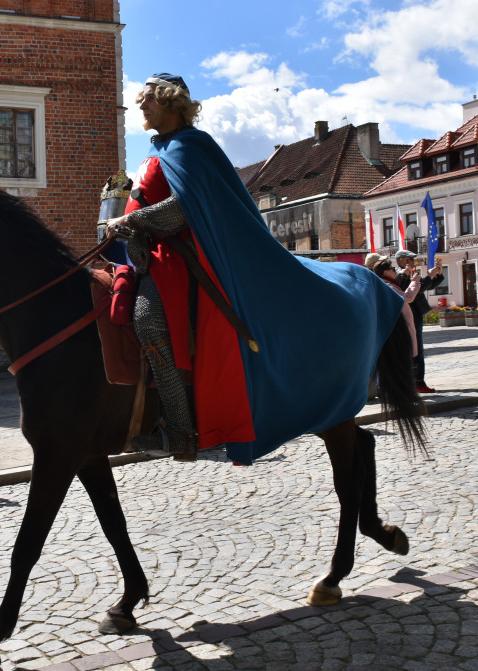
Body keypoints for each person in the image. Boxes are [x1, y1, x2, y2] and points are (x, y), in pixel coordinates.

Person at [103, 73, 404, 466]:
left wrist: (135, 221)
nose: (140, 104)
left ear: (171, 101)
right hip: (150, 254)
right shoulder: (157, 151)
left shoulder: (192, 146)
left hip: (186, 259)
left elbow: (187, 207)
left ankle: (179, 431)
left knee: (147, 316)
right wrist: (118, 218)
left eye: (147, 98)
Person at [394, 249, 445, 393]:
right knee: (417, 350)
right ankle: (418, 382)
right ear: (402, 261)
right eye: (411, 259)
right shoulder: (400, 276)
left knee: (417, 349)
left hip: (415, 314)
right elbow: (420, 288)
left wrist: (438, 274)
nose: (413, 262)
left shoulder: (408, 274)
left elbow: (426, 286)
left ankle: (417, 381)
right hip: (411, 315)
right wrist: (430, 274)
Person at [365, 253, 419, 359]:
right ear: (385, 271)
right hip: (399, 329)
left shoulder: (383, 283)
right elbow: (407, 297)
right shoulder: (388, 285)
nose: (395, 271)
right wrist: (414, 283)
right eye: (392, 269)